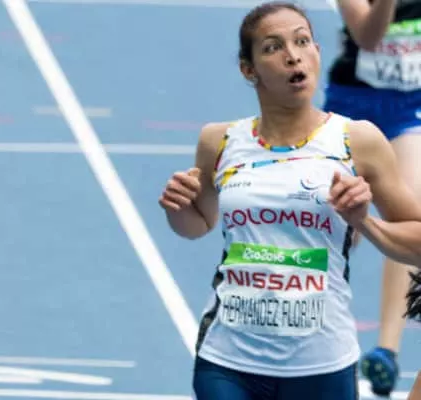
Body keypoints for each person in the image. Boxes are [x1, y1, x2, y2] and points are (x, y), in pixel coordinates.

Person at [157, 2, 421, 398]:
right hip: (229, 360)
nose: (293, 55)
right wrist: (179, 209)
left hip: (321, 363)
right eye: (273, 47)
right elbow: (197, 225)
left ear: (317, 52)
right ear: (249, 70)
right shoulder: (218, 140)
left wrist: (364, 222)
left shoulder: (358, 141)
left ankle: (388, 345)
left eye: (302, 42)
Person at [321, 0, 421, 396]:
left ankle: (387, 351)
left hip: (407, 108)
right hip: (353, 108)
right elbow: (368, 36)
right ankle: (314, 322)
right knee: (339, 225)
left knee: (411, 220)